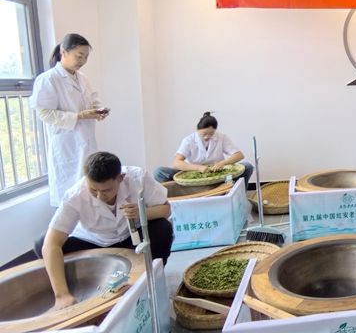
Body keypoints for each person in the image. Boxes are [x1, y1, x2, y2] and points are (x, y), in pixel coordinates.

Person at [34, 151, 173, 311]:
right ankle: (74, 287)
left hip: (130, 236)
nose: (100, 196)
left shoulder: (138, 178)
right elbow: (51, 244)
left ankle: (151, 277)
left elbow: (166, 209)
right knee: (41, 244)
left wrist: (142, 213)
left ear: (120, 178)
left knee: (163, 228)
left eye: (106, 190)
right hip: (92, 242)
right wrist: (61, 295)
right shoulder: (74, 196)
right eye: (93, 190)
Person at [30, 33, 108, 206]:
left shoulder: (83, 78)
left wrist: (98, 111)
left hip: (86, 142)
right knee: (70, 198)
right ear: (63, 52)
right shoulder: (48, 79)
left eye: (86, 57)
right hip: (66, 146)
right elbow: (44, 113)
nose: (83, 61)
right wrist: (78, 116)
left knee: (89, 194)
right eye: (79, 56)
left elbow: (93, 99)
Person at [154, 112, 253, 185]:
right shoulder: (189, 140)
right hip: (193, 172)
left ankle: (235, 192)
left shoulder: (221, 137)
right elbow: (176, 162)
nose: (207, 137)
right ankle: (181, 193)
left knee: (247, 166)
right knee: (159, 172)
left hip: (217, 173)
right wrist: (198, 168)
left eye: (211, 134)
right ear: (198, 130)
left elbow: (239, 155)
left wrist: (222, 163)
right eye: (204, 134)